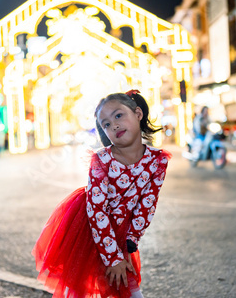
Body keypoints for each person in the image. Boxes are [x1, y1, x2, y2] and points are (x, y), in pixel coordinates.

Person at [32, 90, 171, 298]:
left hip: (122, 235)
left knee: (123, 284)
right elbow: (97, 210)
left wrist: (131, 239)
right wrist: (113, 257)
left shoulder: (158, 160)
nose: (113, 125)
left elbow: (148, 203)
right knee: (85, 288)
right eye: (105, 124)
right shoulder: (102, 159)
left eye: (118, 115)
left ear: (138, 114)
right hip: (89, 229)